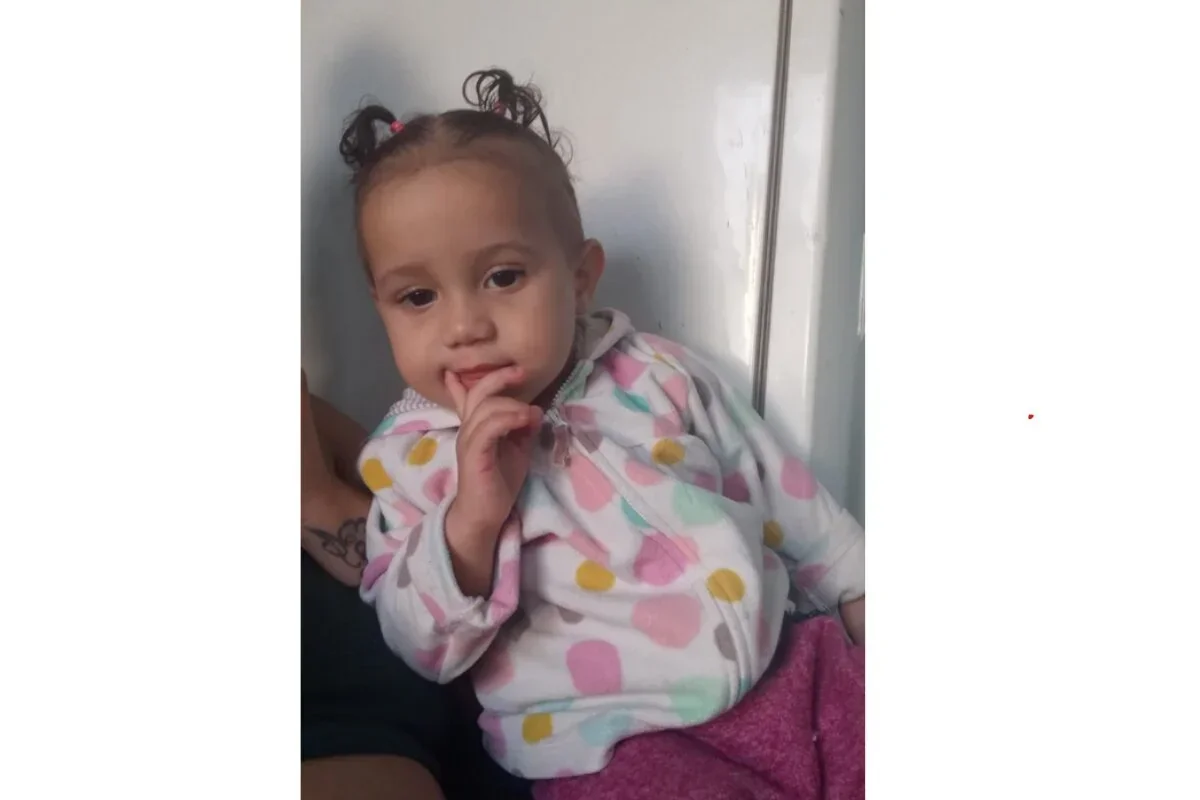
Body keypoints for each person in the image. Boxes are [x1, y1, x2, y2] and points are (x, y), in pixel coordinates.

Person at [337, 68, 866, 799]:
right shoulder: (407, 462)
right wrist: (471, 524)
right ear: (382, 307)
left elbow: (780, 490)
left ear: (580, 277)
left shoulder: (658, 373)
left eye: (502, 277)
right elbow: (420, 645)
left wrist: (858, 589)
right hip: (609, 743)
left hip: (792, 669)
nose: (464, 326)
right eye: (419, 296)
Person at [301, 372, 531, 800]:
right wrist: (313, 501)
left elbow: (399, 520)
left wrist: (318, 495)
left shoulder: (318, 418)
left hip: (492, 725)